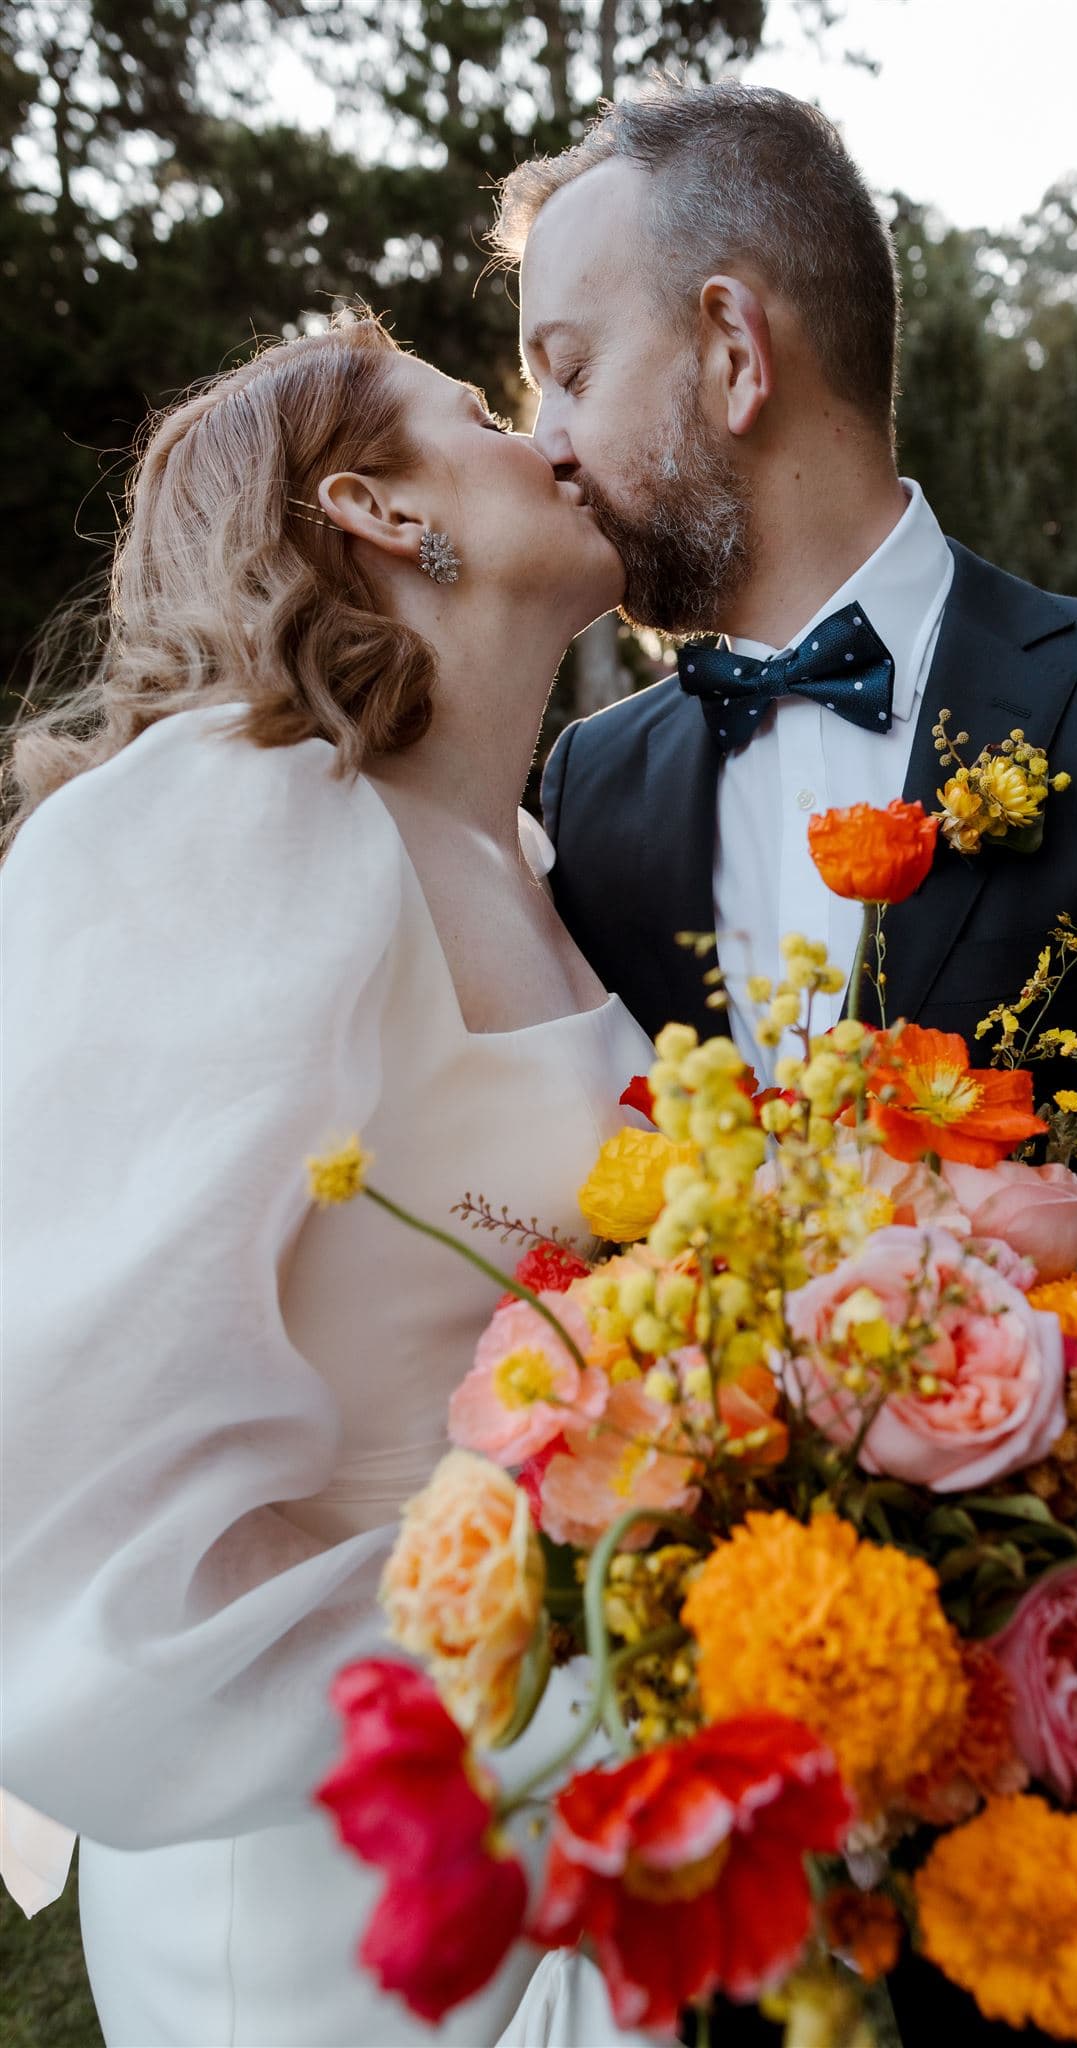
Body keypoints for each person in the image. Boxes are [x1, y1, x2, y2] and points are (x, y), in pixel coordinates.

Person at [495, 79, 1077, 2044]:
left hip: (1004, 1759)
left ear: (728, 348)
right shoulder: (587, 783)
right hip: (677, 1752)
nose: (533, 444)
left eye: (562, 365)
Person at [0, 311, 662, 2046]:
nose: (556, 439)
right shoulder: (230, 820)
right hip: (324, 1865)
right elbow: (65, 1489)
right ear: (376, 507)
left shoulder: (521, 858)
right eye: (486, 410)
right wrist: (508, 1678)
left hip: (575, 1798)